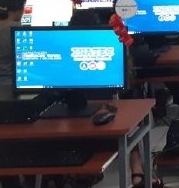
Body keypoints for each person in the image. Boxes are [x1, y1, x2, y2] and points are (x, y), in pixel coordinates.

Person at [68, 10, 164, 188]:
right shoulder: (112, 43)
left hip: (67, 121)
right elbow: (128, 80)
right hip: (104, 124)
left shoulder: (63, 47)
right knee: (135, 116)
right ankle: (139, 171)